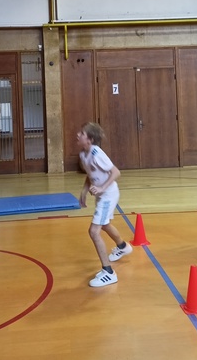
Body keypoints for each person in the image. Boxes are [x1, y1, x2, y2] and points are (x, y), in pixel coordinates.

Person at [77, 122, 132, 287]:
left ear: (90, 139)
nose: (78, 135)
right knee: (105, 224)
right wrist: (84, 191)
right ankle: (122, 246)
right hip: (103, 195)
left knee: (94, 231)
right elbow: (91, 175)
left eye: (82, 133)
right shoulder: (83, 155)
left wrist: (102, 188)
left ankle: (108, 273)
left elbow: (116, 172)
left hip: (108, 194)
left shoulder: (97, 153)